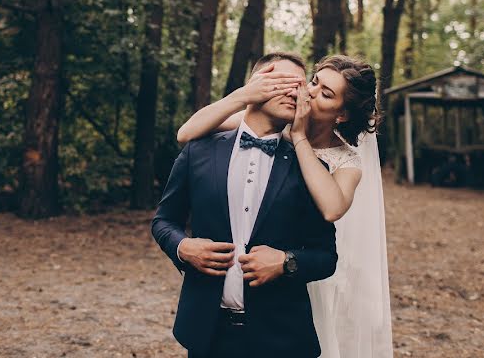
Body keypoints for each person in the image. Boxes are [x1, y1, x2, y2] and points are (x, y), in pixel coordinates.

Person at [177, 54, 394, 358]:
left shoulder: (347, 160)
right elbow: (186, 133)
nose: (311, 92)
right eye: (314, 81)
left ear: (341, 114)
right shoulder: (272, 120)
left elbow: (332, 208)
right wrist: (243, 95)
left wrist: (300, 138)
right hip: (253, 275)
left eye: (326, 93)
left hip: (306, 269)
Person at [152, 52, 338, 358]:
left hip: (283, 339)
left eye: (301, 87)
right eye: (283, 82)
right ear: (255, 85)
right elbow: (163, 221)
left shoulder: (310, 170)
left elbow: (327, 257)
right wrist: (182, 248)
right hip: (206, 333)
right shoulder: (198, 151)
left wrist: (286, 262)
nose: (296, 92)